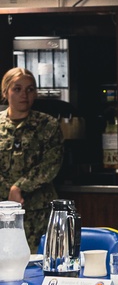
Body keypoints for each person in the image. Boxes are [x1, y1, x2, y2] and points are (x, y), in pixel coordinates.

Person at [0, 67, 63, 248]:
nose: (24, 95)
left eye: (30, 89)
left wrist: (19, 187)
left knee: (38, 264)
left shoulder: (48, 125)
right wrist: (9, 192)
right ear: (5, 92)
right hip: (3, 209)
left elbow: (51, 164)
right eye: (17, 89)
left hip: (38, 211)